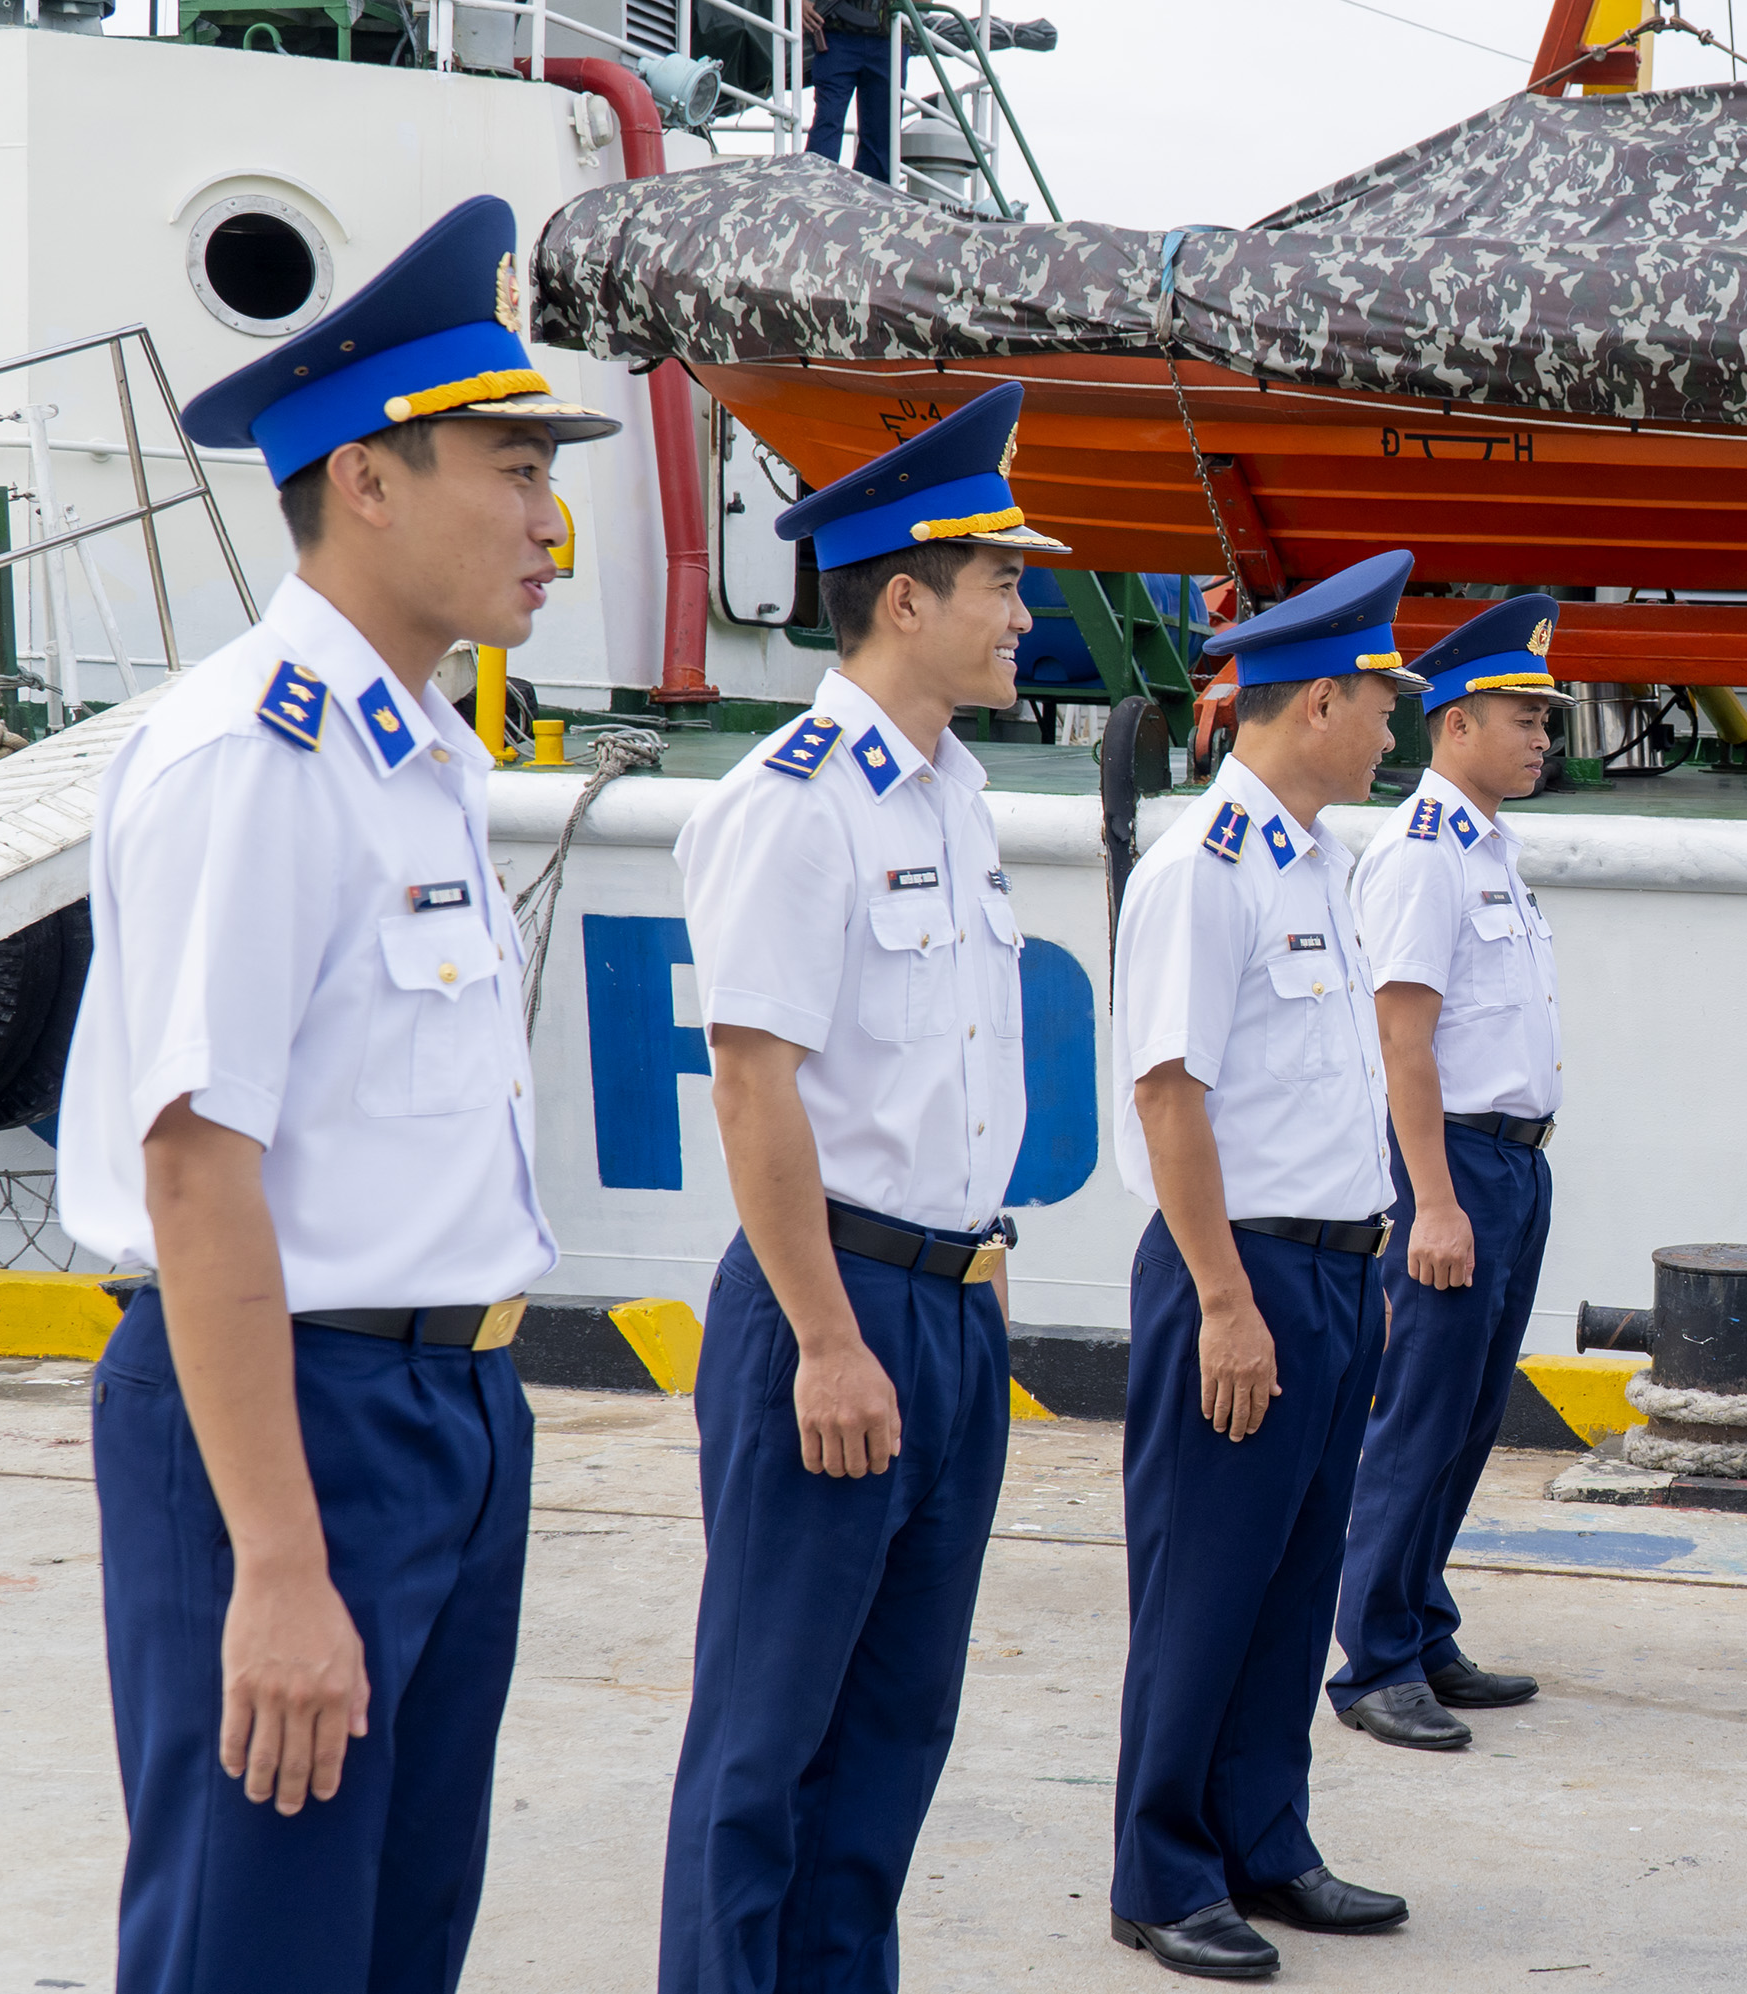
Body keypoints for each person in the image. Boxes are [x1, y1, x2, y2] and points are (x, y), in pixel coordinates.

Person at [61, 196, 619, 1993]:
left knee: (391, 1938)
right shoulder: (253, 755)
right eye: (513, 464)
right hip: (287, 1411)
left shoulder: (416, 749)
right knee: (263, 1938)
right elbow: (196, 1165)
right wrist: (281, 1560)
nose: (554, 515)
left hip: (447, 1400)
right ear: (366, 478)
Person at [655, 381, 1066, 1994]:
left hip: (949, 1310)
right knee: (764, 1744)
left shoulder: (953, 793)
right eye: (1002, 583)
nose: (1027, 611)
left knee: (893, 1732)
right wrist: (830, 1339)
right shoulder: (792, 805)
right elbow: (753, 1088)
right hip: (831, 1305)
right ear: (907, 595)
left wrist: (984, 1286)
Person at [1105, 551, 1429, 1980]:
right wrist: (1226, 1301)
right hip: (1235, 1276)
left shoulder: (1319, 861)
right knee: (1204, 1582)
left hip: (1330, 1274)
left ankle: (1262, 1839)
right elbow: (1168, 1093)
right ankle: (1162, 1869)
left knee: (1293, 1578)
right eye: (1379, 703)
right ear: (1313, 703)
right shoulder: (1203, 869)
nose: (1391, 730)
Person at [1327, 594, 1575, 1751]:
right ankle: (1374, 1656)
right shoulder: (1422, 855)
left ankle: (1422, 1623)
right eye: (1523, 715)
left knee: (1471, 1412)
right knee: (1417, 1410)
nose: (1543, 736)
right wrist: (1430, 1198)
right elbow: (1401, 1040)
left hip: (1510, 1164)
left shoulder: (1489, 847)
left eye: (1546, 717)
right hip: (1452, 1164)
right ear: (1457, 721)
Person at [802, 0, 902, 183]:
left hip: (887, 39)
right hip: (836, 36)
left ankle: (870, 202)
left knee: (882, 134)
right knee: (828, 119)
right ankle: (814, 187)